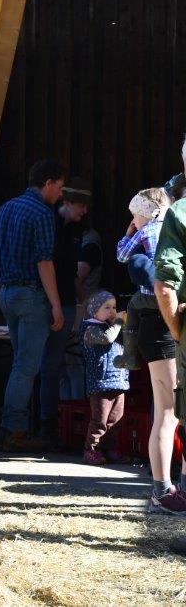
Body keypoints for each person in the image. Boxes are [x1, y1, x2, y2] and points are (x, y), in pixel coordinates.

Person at [0, 159, 65, 452]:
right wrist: (56, 305)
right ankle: (15, 430)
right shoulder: (42, 213)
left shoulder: (6, 208)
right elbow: (44, 261)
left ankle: (7, 427)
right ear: (48, 183)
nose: (60, 194)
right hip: (31, 295)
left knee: (19, 364)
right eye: (59, 187)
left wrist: (1, 284)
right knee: (26, 366)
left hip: (7, 293)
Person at [37, 179, 91, 445]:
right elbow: (44, 264)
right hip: (46, 302)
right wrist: (54, 304)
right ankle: (42, 425)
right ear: (67, 203)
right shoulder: (49, 224)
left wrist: (86, 301)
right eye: (80, 205)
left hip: (67, 303)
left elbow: (71, 272)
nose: (84, 211)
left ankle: (52, 426)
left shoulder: (77, 230)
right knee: (42, 365)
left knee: (55, 364)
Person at [146, 184, 186, 515]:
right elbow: (161, 286)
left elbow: (160, 284)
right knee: (170, 412)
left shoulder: (143, 235)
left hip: (160, 322)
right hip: (164, 323)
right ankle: (165, 490)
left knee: (169, 411)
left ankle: (167, 489)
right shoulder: (165, 227)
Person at [115, 188, 171, 370]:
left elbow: (122, 256)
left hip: (151, 295)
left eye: (135, 216)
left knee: (132, 305)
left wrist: (127, 236)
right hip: (172, 293)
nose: (133, 221)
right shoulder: (172, 229)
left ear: (146, 214)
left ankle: (129, 355)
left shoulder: (145, 230)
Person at [79, 291, 129, 465]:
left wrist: (123, 325)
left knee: (115, 420)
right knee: (100, 420)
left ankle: (110, 449)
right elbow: (107, 338)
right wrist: (118, 322)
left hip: (118, 381)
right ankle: (91, 450)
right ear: (94, 310)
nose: (112, 311)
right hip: (100, 383)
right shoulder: (90, 329)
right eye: (106, 307)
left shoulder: (114, 328)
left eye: (114, 307)